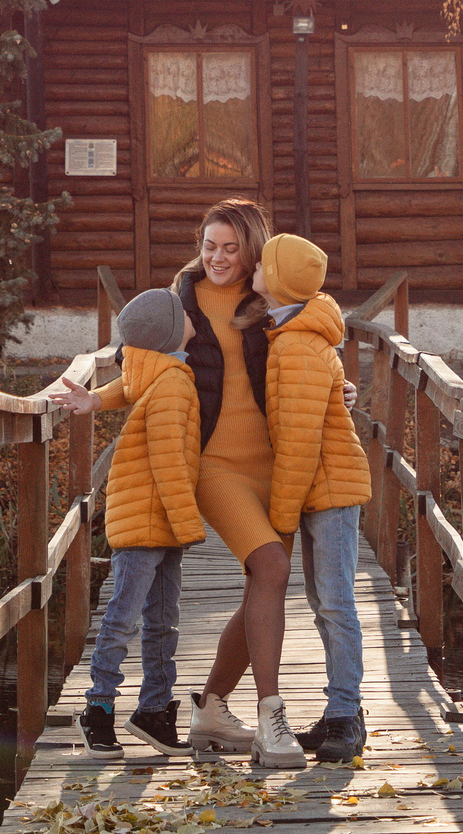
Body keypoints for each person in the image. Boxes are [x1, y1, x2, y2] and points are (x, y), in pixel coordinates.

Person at [59, 198, 306, 767]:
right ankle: (272, 717)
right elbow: (141, 371)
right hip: (213, 464)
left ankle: (210, 708)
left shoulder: (267, 300)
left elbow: (308, 358)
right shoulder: (179, 302)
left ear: (252, 250)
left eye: (230, 248)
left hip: (274, 462)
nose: (217, 258)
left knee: (264, 583)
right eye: (208, 246)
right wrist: (96, 397)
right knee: (270, 568)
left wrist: (336, 394)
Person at [61, 286, 202, 755]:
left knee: (162, 619)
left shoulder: (152, 367)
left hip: (150, 516)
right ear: (169, 333)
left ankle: (153, 711)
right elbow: (168, 462)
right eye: (182, 314)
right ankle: (98, 708)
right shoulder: (174, 380)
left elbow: (125, 385)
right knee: (126, 616)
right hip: (149, 516)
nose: (189, 315)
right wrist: (188, 524)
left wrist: (94, 401)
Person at [257, 233, 372, 764]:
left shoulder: (298, 345)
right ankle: (338, 708)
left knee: (335, 602)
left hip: (327, 490)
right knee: (325, 603)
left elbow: (300, 444)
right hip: (319, 490)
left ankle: (348, 716)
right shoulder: (293, 334)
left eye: (261, 265)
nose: (253, 270)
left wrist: (279, 516)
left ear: (277, 282)